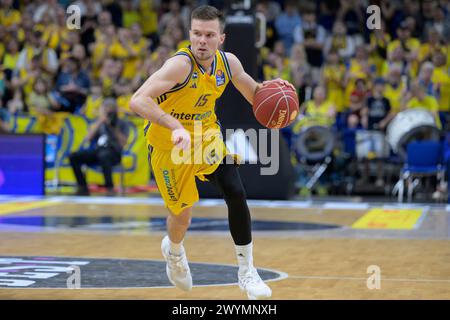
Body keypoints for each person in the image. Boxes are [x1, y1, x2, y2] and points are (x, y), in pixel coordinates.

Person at [130, 5, 293, 300]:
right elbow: (138, 100)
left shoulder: (228, 64)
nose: (201, 41)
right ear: (189, 34)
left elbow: (256, 94)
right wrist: (173, 126)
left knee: (234, 188)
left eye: (209, 35)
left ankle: (247, 272)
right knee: (181, 218)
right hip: (169, 143)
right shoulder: (179, 65)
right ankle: (175, 250)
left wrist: (280, 99)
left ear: (221, 38)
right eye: (196, 34)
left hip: (206, 135)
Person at [69, 98, 129, 196]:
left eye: (111, 109)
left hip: (114, 153)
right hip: (98, 151)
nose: (109, 111)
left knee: (104, 155)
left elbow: (123, 143)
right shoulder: (99, 122)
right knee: (73, 156)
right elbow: (88, 138)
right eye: (107, 108)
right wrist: (100, 121)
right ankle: (82, 186)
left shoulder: (122, 123)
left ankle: (110, 188)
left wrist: (113, 128)